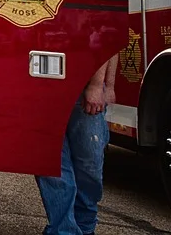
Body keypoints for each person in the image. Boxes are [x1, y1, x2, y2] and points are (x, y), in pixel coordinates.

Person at [35, 54, 118, 235]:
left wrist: (99, 85)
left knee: (90, 163)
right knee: (51, 163)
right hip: (40, 83)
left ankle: (85, 226)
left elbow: (106, 34)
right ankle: (64, 229)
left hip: (84, 85)